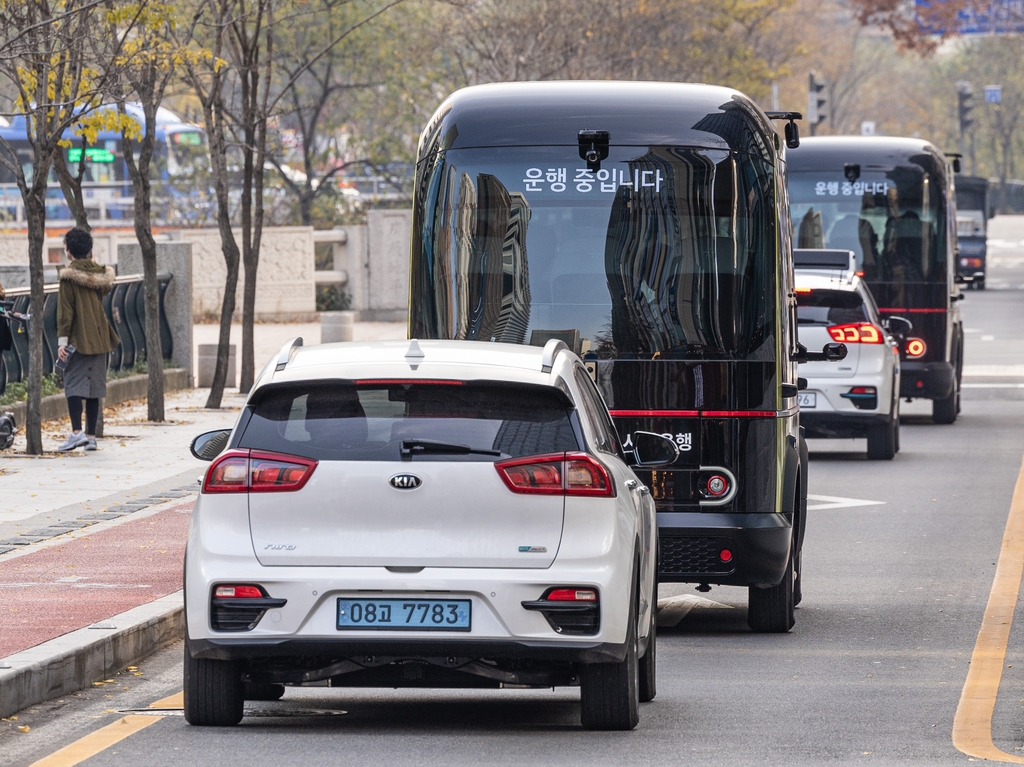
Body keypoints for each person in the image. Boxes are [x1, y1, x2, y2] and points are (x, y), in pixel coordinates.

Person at [56, 227, 120, 452]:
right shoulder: (99, 274)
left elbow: (65, 311)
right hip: (101, 335)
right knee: (94, 388)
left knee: (73, 385)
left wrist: (62, 343)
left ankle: (76, 433)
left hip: (78, 338)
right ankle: (91, 437)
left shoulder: (68, 276)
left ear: (69, 250)